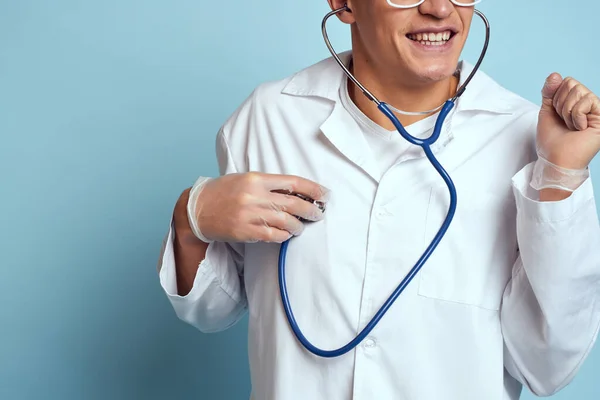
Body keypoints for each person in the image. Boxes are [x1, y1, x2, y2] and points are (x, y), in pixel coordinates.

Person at [157, 0, 600, 399]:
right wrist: (189, 221)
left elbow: (546, 366)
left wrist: (560, 176)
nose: (440, 9)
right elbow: (212, 309)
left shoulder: (528, 138)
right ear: (344, 4)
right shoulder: (270, 117)